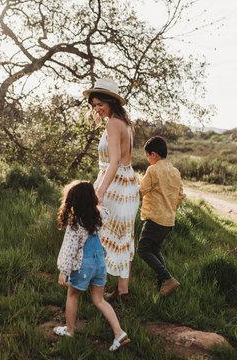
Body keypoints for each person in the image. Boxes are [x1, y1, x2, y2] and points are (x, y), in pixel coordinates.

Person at [54, 180, 130, 351]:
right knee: (99, 300)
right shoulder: (99, 216)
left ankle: (69, 330)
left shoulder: (75, 225)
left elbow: (69, 249)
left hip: (84, 266)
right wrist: (98, 201)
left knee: (73, 296)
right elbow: (105, 210)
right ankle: (119, 332)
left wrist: (63, 272)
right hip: (100, 264)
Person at [83, 78, 139, 301]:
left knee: (98, 232)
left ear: (111, 102)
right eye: (94, 105)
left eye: (100, 104)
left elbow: (115, 161)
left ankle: (92, 284)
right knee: (123, 234)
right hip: (127, 183)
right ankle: (123, 291)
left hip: (115, 184)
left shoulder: (113, 124)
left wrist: (101, 191)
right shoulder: (124, 123)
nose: (96, 109)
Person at [137, 136, 186, 296]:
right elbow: (180, 196)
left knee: (143, 250)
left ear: (154, 155)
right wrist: (169, 206)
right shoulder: (175, 171)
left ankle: (168, 278)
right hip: (169, 220)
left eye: (147, 156)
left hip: (155, 219)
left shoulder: (154, 169)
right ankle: (162, 285)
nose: (148, 160)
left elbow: (141, 191)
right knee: (155, 250)